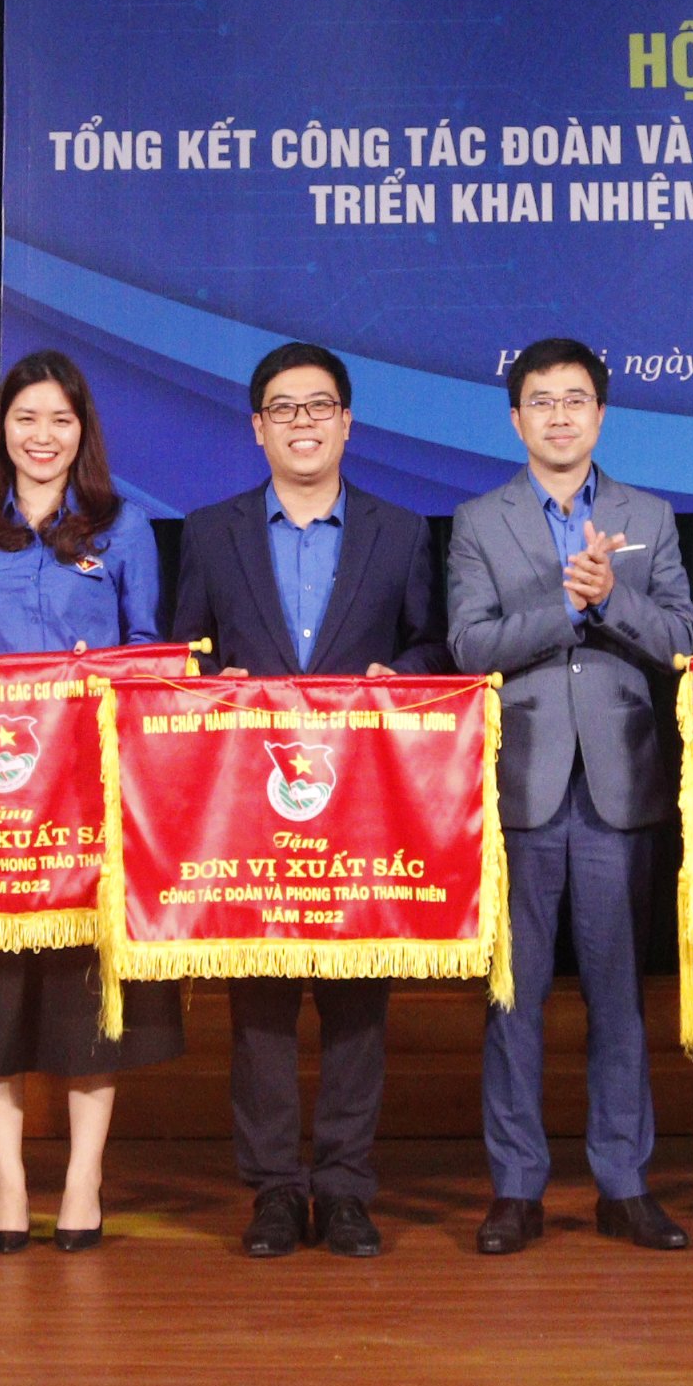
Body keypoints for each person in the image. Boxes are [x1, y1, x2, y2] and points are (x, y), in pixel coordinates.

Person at [165, 341, 451, 1260]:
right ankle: (275, 1193)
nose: (302, 423)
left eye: (319, 406)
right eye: (283, 408)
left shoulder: (400, 530)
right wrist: (212, 681)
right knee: (258, 1008)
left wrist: (399, 676)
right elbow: (183, 655)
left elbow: (433, 646)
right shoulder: (209, 531)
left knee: (358, 1003)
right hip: (250, 812)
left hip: (360, 807)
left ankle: (347, 1188)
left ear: (347, 423)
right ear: (257, 428)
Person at [0, 350, 176, 1253]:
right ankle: (7, 1181)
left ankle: (83, 1178)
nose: (42, 436)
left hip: (87, 803)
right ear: (3, 430)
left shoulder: (124, 527)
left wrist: (109, 674)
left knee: (84, 997)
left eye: (60, 420)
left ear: (82, 432)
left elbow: (150, 654)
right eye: (26, 418)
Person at [445, 339, 693, 1256]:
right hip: (520, 785)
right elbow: (468, 645)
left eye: (576, 399)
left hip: (620, 786)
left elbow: (682, 639)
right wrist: (568, 607)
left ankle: (623, 1185)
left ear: (601, 414)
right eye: (542, 401)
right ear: (516, 419)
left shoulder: (648, 516)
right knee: (513, 1000)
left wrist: (613, 601)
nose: (559, 415)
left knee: (618, 997)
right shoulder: (479, 520)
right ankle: (516, 1189)